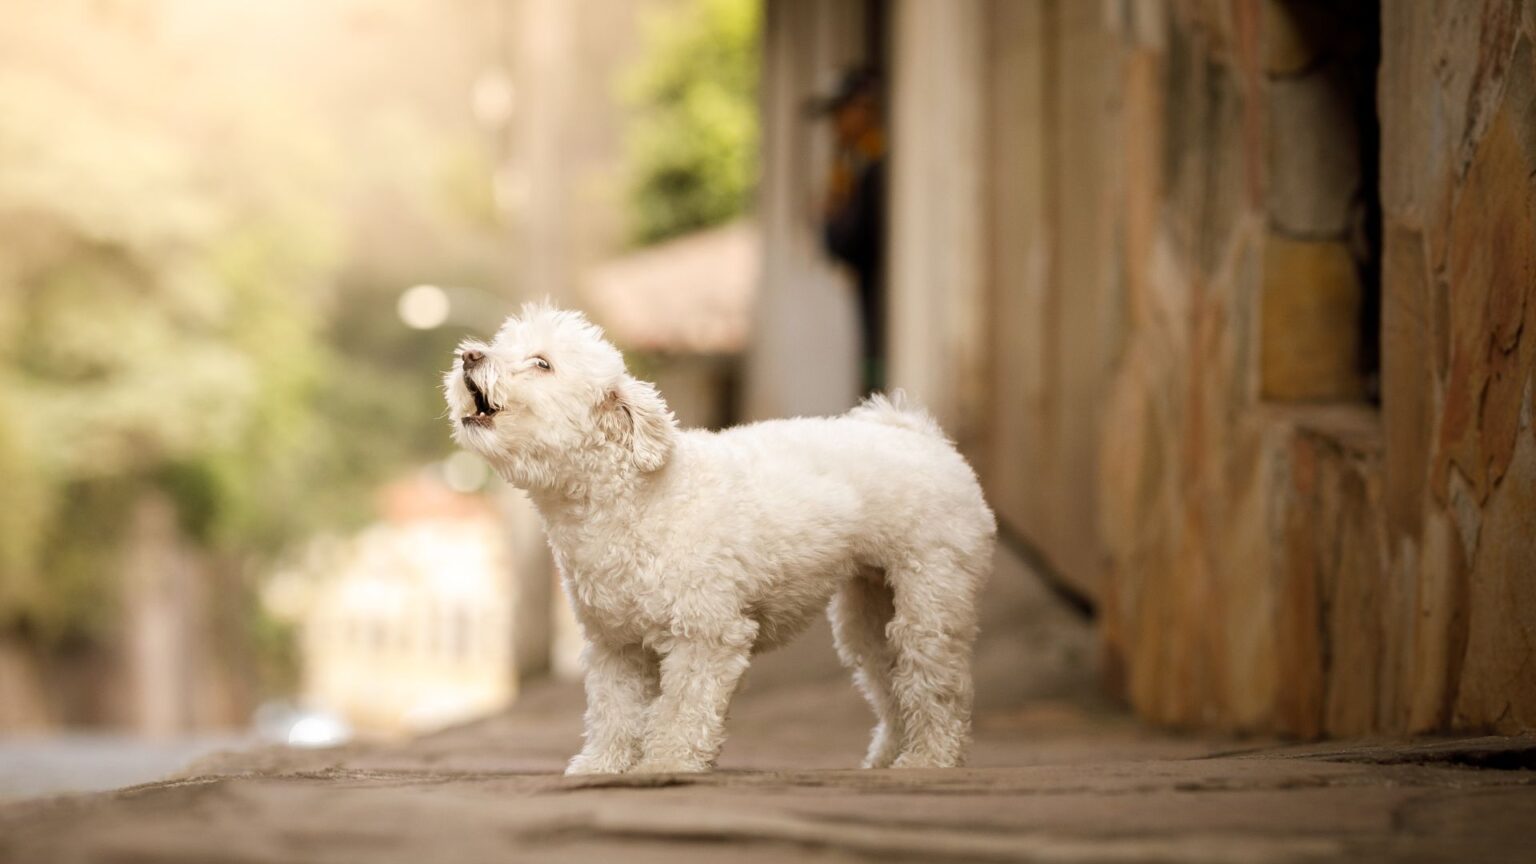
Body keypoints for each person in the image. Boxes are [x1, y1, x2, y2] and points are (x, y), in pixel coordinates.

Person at [812, 68, 886, 394]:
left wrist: (832, 214)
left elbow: (847, 241)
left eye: (840, 113)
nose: (835, 126)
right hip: (872, 296)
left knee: (876, 372)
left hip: (881, 297)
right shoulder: (856, 163)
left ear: (864, 110)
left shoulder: (874, 165)